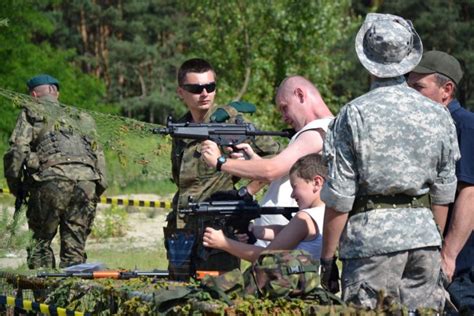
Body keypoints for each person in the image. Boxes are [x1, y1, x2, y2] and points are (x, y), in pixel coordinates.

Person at [319, 14, 459, 310]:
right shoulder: (438, 114)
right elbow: (444, 191)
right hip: (424, 242)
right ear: (409, 57)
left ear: (366, 58)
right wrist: (434, 240)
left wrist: (327, 259)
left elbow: (341, 197)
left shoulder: (353, 114)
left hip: (371, 244)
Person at [164, 58, 281, 279]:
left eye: (210, 87)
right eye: (196, 88)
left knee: (221, 296)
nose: (205, 93)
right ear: (181, 92)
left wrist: (247, 191)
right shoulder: (180, 128)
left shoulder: (230, 123)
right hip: (182, 230)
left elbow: (275, 159)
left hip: (218, 231)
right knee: (178, 294)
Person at [201, 76, 334, 245]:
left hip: (288, 243)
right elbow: (286, 174)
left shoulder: (317, 131)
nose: (284, 117)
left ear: (300, 95)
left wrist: (219, 162)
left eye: (285, 108)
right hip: (280, 237)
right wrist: (253, 160)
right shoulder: (321, 130)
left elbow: (271, 170)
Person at [3, 74, 108, 269]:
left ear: (34, 94)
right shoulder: (81, 117)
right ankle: (71, 297)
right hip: (87, 184)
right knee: (75, 250)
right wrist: (97, 189)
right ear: (56, 93)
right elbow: (98, 154)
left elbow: (17, 151)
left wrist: (16, 187)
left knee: (39, 245)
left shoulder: (32, 112)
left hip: (52, 181)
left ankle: (44, 296)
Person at [408, 51, 474, 310]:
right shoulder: (429, 128)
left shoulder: (465, 126)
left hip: (462, 265)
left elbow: (470, 192)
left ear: (446, 90)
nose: (410, 94)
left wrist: (448, 256)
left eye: (418, 87)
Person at [202, 153, 326, 261]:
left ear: (316, 183)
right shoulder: (326, 214)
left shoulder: (304, 219)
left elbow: (267, 258)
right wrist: (254, 230)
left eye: (295, 187)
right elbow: (286, 232)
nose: (292, 195)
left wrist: (224, 243)